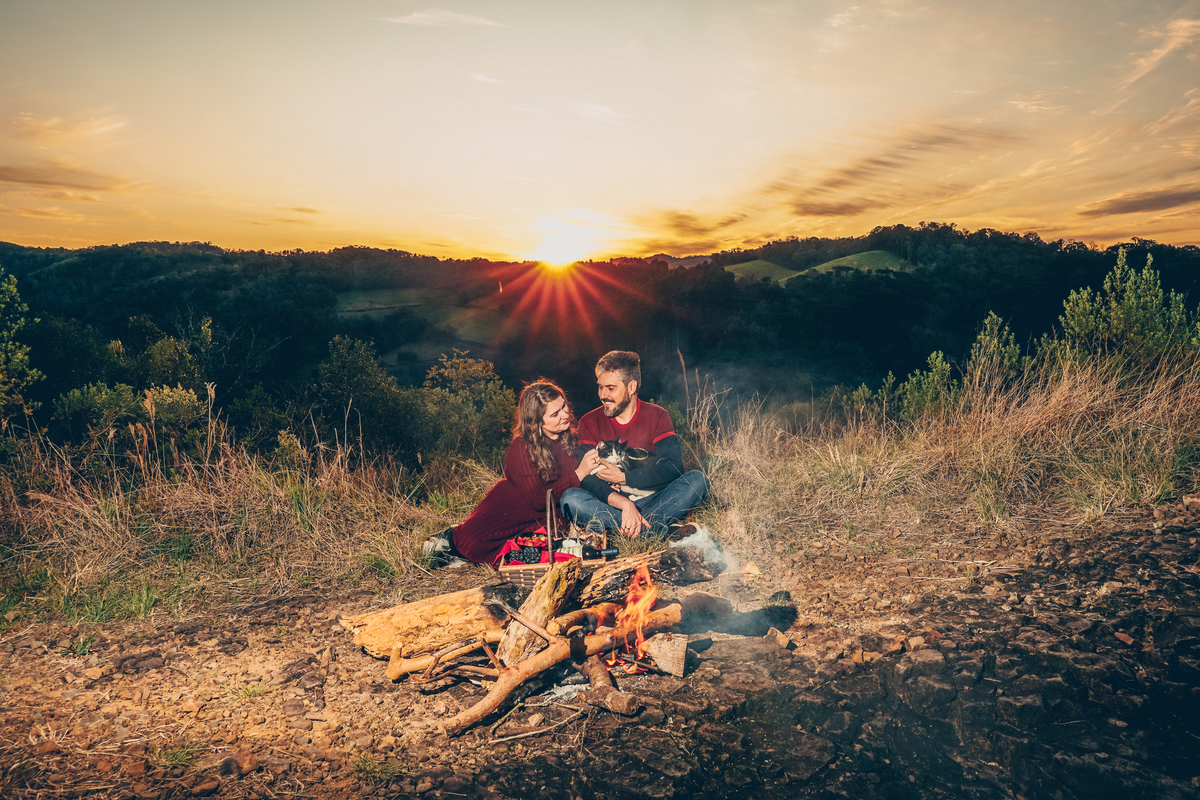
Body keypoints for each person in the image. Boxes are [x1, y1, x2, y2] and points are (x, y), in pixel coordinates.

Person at [424, 379, 602, 567]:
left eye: (564, 406)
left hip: (539, 523)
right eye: (555, 414)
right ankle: (447, 540)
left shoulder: (571, 439)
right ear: (537, 422)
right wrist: (579, 473)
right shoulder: (521, 448)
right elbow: (538, 498)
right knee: (471, 545)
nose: (565, 414)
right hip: (506, 515)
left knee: (527, 552)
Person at [559, 351, 709, 538]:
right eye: (600, 387)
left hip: (654, 500)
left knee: (697, 480)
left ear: (631, 387)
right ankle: (652, 530)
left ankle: (631, 530)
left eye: (611, 388)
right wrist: (625, 504)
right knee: (570, 499)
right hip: (611, 505)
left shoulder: (658, 416)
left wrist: (624, 478)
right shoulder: (589, 422)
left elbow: (673, 468)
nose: (603, 395)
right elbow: (588, 479)